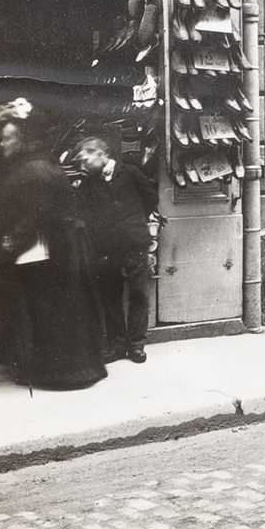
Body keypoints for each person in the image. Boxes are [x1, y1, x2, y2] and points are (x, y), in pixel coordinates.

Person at [0, 99, 107, 391]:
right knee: (57, 311)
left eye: (8, 138)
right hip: (59, 250)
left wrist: (12, 240)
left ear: (23, 138)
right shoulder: (38, 166)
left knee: (50, 311)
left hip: (51, 251)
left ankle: (58, 372)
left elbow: (36, 215)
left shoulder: (33, 170)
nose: (3, 144)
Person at [73, 136, 156, 364]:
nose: (82, 165)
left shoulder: (130, 172)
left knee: (139, 294)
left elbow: (151, 198)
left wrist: (134, 223)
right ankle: (117, 344)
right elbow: (85, 213)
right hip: (107, 248)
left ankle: (137, 345)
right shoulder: (89, 183)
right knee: (111, 296)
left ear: (100, 153)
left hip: (134, 243)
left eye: (84, 158)